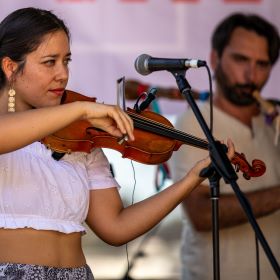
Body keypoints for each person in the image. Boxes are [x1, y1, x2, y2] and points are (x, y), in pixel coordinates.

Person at [0, 7, 235, 280]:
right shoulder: (73, 115)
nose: (63, 74)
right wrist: (83, 109)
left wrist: (191, 180)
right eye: (50, 62)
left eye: (67, 61)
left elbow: (115, 227)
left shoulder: (79, 135)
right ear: (10, 67)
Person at [170, 13, 280, 280]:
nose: (250, 75)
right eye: (240, 59)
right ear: (216, 58)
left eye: (262, 64)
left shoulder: (274, 123)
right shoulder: (192, 123)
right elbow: (201, 214)